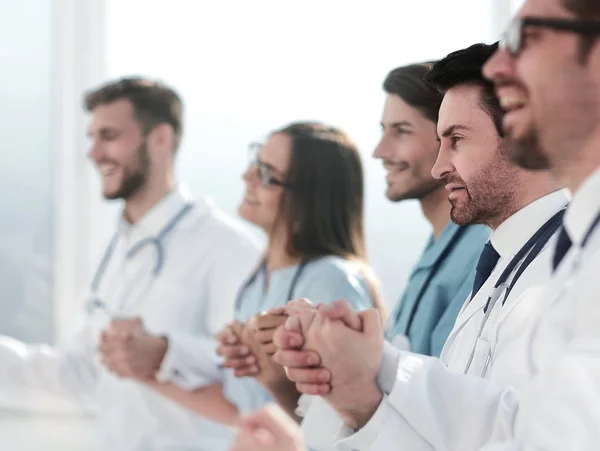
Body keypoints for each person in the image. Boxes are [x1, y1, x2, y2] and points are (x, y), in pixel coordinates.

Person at [273, 43, 569, 451]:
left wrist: (380, 370)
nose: (438, 166)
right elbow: (455, 434)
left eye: (457, 140)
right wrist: (357, 390)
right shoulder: (502, 266)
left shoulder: (573, 272)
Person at [0, 77, 263, 451]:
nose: (94, 153)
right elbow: (82, 374)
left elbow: (255, 380)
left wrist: (166, 352)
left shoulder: (227, 247)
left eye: (109, 136)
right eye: (92, 137)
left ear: (160, 139)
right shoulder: (117, 249)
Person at [102, 122, 386, 441]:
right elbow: (243, 411)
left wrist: (275, 379)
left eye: (265, 174)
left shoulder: (332, 282)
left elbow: (345, 429)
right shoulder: (258, 278)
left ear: (309, 197)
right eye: (255, 162)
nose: (246, 177)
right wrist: (142, 366)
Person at [373, 63, 490, 356]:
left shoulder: (482, 249)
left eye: (401, 132)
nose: (380, 151)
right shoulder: (438, 246)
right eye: (384, 131)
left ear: (449, 135)